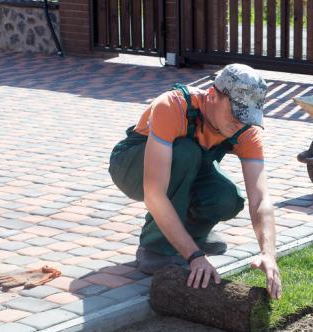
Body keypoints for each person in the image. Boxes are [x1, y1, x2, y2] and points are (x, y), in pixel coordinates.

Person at [108, 64, 282, 299]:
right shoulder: (172, 106)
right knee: (187, 153)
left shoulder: (245, 130)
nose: (240, 123)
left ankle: (191, 235)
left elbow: (260, 199)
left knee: (227, 198)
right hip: (131, 166)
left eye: (247, 116)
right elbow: (154, 194)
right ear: (213, 96)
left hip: (183, 167)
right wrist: (194, 257)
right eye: (236, 112)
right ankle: (155, 248)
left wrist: (269, 253)